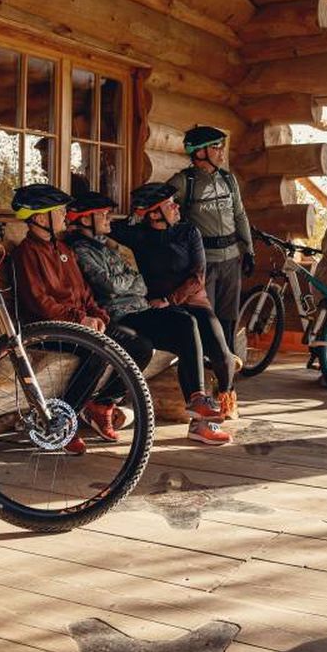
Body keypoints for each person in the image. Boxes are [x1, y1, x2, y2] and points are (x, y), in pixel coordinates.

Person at [65, 191, 230, 445]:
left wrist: (131, 283)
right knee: (152, 342)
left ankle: (197, 403)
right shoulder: (80, 249)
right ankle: (102, 404)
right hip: (119, 315)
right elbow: (109, 286)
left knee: (186, 323)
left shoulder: (104, 246)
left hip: (140, 309)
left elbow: (138, 282)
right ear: (86, 220)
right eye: (103, 214)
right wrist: (130, 282)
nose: (109, 218)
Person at [8, 183, 152, 455]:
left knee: (140, 346)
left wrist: (97, 315)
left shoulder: (63, 248)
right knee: (97, 351)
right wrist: (80, 320)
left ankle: (101, 404)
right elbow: (40, 303)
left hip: (77, 325)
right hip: (48, 330)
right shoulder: (26, 254)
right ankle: (63, 424)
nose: (65, 215)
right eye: (59, 211)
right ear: (41, 218)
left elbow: (84, 292)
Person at [111, 182, 238, 421]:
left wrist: (169, 299)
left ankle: (226, 394)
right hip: (161, 310)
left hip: (193, 302)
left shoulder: (189, 232)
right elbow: (108, 227)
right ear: (154, 213)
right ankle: (197, 406)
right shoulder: (139, 236)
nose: (176, 207)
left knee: (221, 354)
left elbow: (198, 277)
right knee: (186, 337)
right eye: (169, 204)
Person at [167, 126, 254, 363]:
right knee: (207, 318)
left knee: (228, 317)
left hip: (231, 259)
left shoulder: (228, 179)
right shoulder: (184, 181)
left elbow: (240, 215)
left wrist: (249, 250)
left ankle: (225, 370)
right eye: (216, 147)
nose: (222, 152)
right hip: (204, 263)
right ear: (200, 152)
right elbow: (162, 212)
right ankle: (204, 370)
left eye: (221, 146)